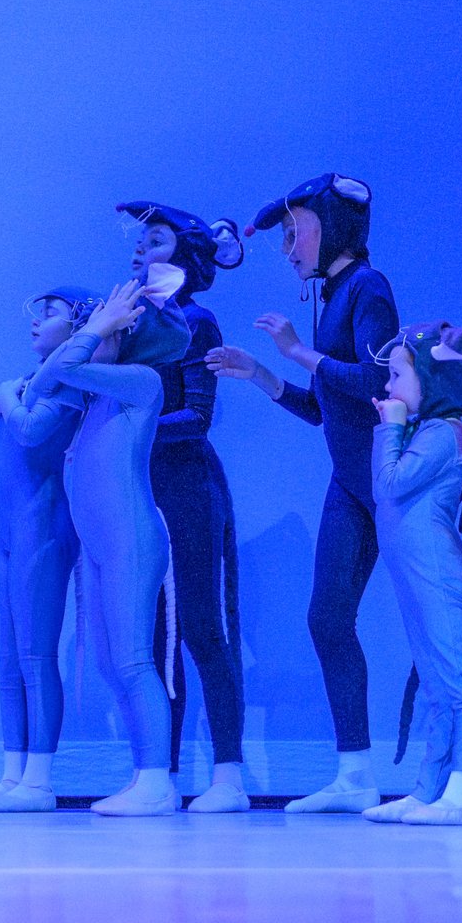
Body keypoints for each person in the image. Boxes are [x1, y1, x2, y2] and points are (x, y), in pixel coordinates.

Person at [209, 174, 462, 812]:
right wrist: (262, 373)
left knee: (448, 628)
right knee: (327, 618)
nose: (289, 249)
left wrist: (295, 353)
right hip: (354, 482)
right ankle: (354, 775)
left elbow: (376, 377)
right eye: (285, 237)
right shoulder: (331, 296)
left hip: (394, 482)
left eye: (296, 234)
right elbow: (329, 407)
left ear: (333, 225)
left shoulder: (369, 287)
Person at [28, 282, 194, 815]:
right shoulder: (102, 393)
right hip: (101, 545)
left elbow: (64, 366)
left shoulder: (141, 383)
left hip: (131, 539)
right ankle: (141, 773)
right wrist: (99, 326)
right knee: (107, 662)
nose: (84, 332)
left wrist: (99, 326)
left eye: (97, 326)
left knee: (133, 660)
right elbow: (43, 384)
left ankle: (157, 780)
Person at [120, 201, 251, 813]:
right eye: (140, 238)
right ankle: (158, 774)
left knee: (202, 626)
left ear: (186, 252)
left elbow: (196, 417)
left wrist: (133, 428)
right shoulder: (131, 321)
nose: (143, 246)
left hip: (189, 486)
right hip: (143, 484)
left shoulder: (197, 321)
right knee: (152, 632)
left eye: (156, 236)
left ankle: (228, 774)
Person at [0, 288, 93, 812]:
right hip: (5, 533)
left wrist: (7, 403)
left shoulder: (69, 384)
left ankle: (39, 779)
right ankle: (11, 773)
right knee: (7, 657)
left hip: (43, 527)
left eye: (51, 313)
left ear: (78, 325)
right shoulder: (27, 382)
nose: (37, 321)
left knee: (37, 654)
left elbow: (34, 434)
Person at [364, 322, 462, 826]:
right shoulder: (429, 431)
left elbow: (389, 484)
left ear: (434, 380)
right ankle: (427, 790)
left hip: (437, 571)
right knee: (437, 689)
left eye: (398, 376)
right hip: (416, 575)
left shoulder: (443, 433)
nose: (390, 389)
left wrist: (391, 427)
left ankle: (459, 795)